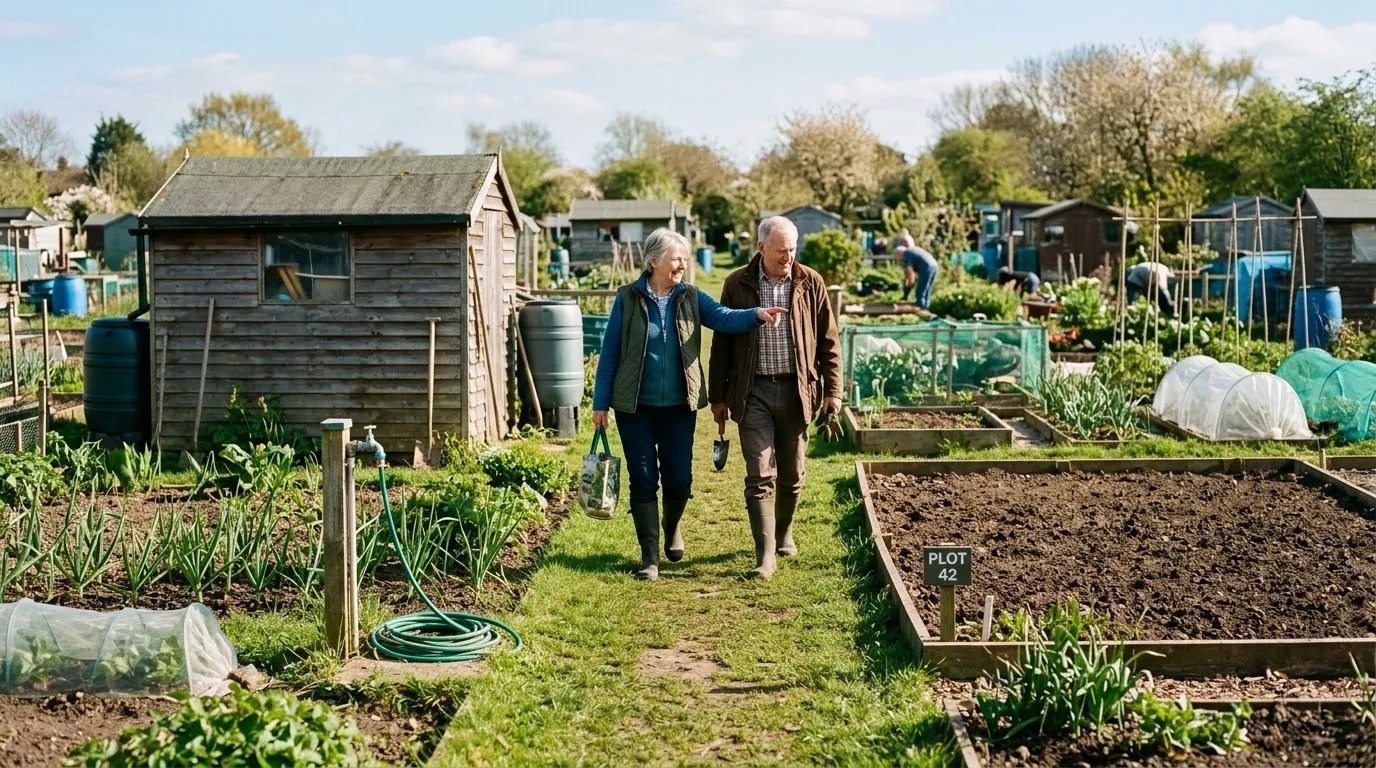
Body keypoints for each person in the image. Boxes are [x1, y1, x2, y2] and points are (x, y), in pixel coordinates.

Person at [592, 228, 787, 581]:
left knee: (679, 479)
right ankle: (649, 558)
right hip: (634, 408)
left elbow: (725, 317)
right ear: (654, 261)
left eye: (685, 258)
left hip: (679, 407)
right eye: (676, 258)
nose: (682, 264)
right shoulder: (627, 299)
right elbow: (610, 355)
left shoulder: (692, 298)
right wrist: (600, 403)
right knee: (643, 478)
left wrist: (756, 314)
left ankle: (672, 525)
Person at [708, 216, 843, 580]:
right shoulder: (737, 284)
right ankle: (765, 555)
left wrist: (833, 391)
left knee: (793, 473)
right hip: (753, 391)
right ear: (761, 248)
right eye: (781, 250)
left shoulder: (809, 282)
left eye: (792, 250)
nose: (788, 257)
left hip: (799, 390)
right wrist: (717, 396)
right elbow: (721, 341)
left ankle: (783, 532)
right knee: (759, 473)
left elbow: (829, 341)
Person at [899, 243, 940, 311]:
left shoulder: (906, 254)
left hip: (926, 267)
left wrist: (907, 290)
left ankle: (920, 308)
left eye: (899, 258)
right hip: (935, 266)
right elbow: (908, 274)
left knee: (920, 290)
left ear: (899, 254)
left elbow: (910, 274)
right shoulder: (912, 250)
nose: (900, 260)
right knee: (927, 290)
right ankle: (925, 308)